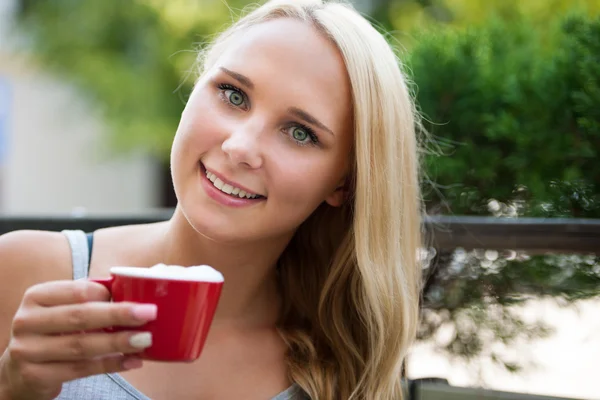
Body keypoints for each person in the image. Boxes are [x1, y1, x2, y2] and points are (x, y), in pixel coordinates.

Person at [0, 0, 424, 398]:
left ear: (344, 184)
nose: (240, 147)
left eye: (300, 132)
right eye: (233, 94)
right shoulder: (25, 273)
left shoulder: (343, 361)